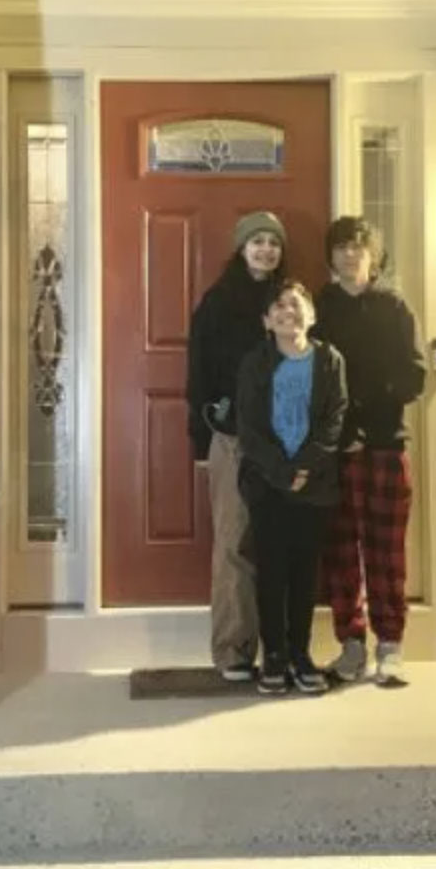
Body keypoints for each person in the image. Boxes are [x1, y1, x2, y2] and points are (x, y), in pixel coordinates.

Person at [314, 216, 426, 687]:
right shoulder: (319, 307)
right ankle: (352, 644)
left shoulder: (394, 307)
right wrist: (342, 430)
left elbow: (414, 375)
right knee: (341, 550)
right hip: (335, 449)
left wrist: (367, 416)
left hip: (383, 444)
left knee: (385, 551)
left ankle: (392, 646)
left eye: (358, 248)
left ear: (373, 257)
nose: (349, 256)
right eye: (341, 248)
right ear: (331, 256)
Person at [187, 211, 287, 681]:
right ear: (241, 248)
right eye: (257, 241)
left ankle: (282, 650)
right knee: (233, 544)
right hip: (230, 439)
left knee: (280, 544)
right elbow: (198, 375)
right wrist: (201, 440)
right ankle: (233, 650)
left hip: (284, 441)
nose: (266, 249)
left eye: (273, 242)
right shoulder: (217, 303)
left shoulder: (292, 301)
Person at [237, 280, 347, 696]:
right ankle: (275, 656)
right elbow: (249, 427)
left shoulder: (330, 360)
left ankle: (301, 654)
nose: (288, 311)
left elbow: (334, 419)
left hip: (315, 484)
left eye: (297, 304)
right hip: (267, 484)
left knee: (305, 572)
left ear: (312, 315)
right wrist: (282, 472)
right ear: (267, 320)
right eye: (279, 306)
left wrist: (304, 467)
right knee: (271, 570)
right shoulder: (254, 363)